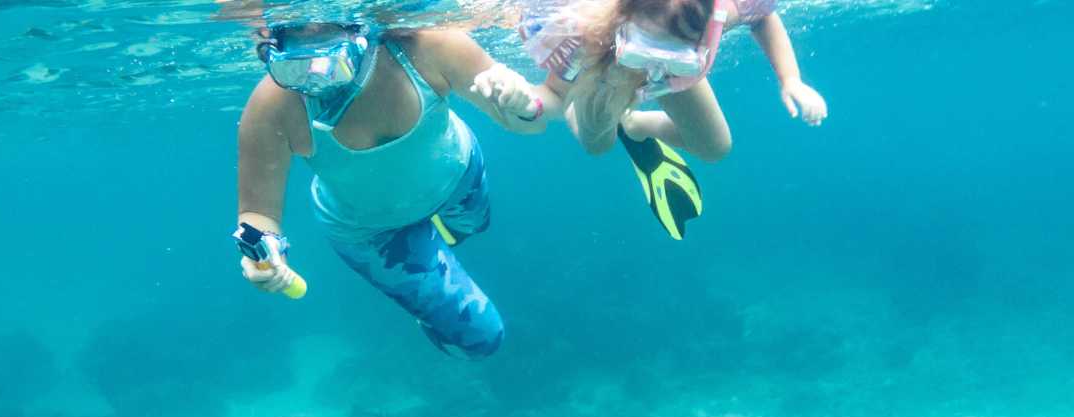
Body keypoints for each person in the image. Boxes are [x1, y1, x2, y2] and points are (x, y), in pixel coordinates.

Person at [234, 22, 552, 358]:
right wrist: (262, 252)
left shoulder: (431, 46)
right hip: (370, 232)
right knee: (481, 339)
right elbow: (257, 214)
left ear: (362, 37)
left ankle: (438, 248)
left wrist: (524, 105)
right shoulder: (272, 106)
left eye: (331, 63)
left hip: (457, 178)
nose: (315, 81)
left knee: (474, 226)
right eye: (294, 68)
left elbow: (532, 124)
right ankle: (427, 304)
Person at [519, 0, 826, 239]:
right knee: (598, 144)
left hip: (672, 81)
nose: (650, 72)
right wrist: (528, 101)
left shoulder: (712, 13)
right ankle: (590, 107)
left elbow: (763, 17)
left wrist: (791, 79)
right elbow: (552, 93)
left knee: (714, 147)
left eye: (678, 60)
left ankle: (633, 125)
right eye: (643, 57)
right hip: (605, 72)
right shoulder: (584, 29)